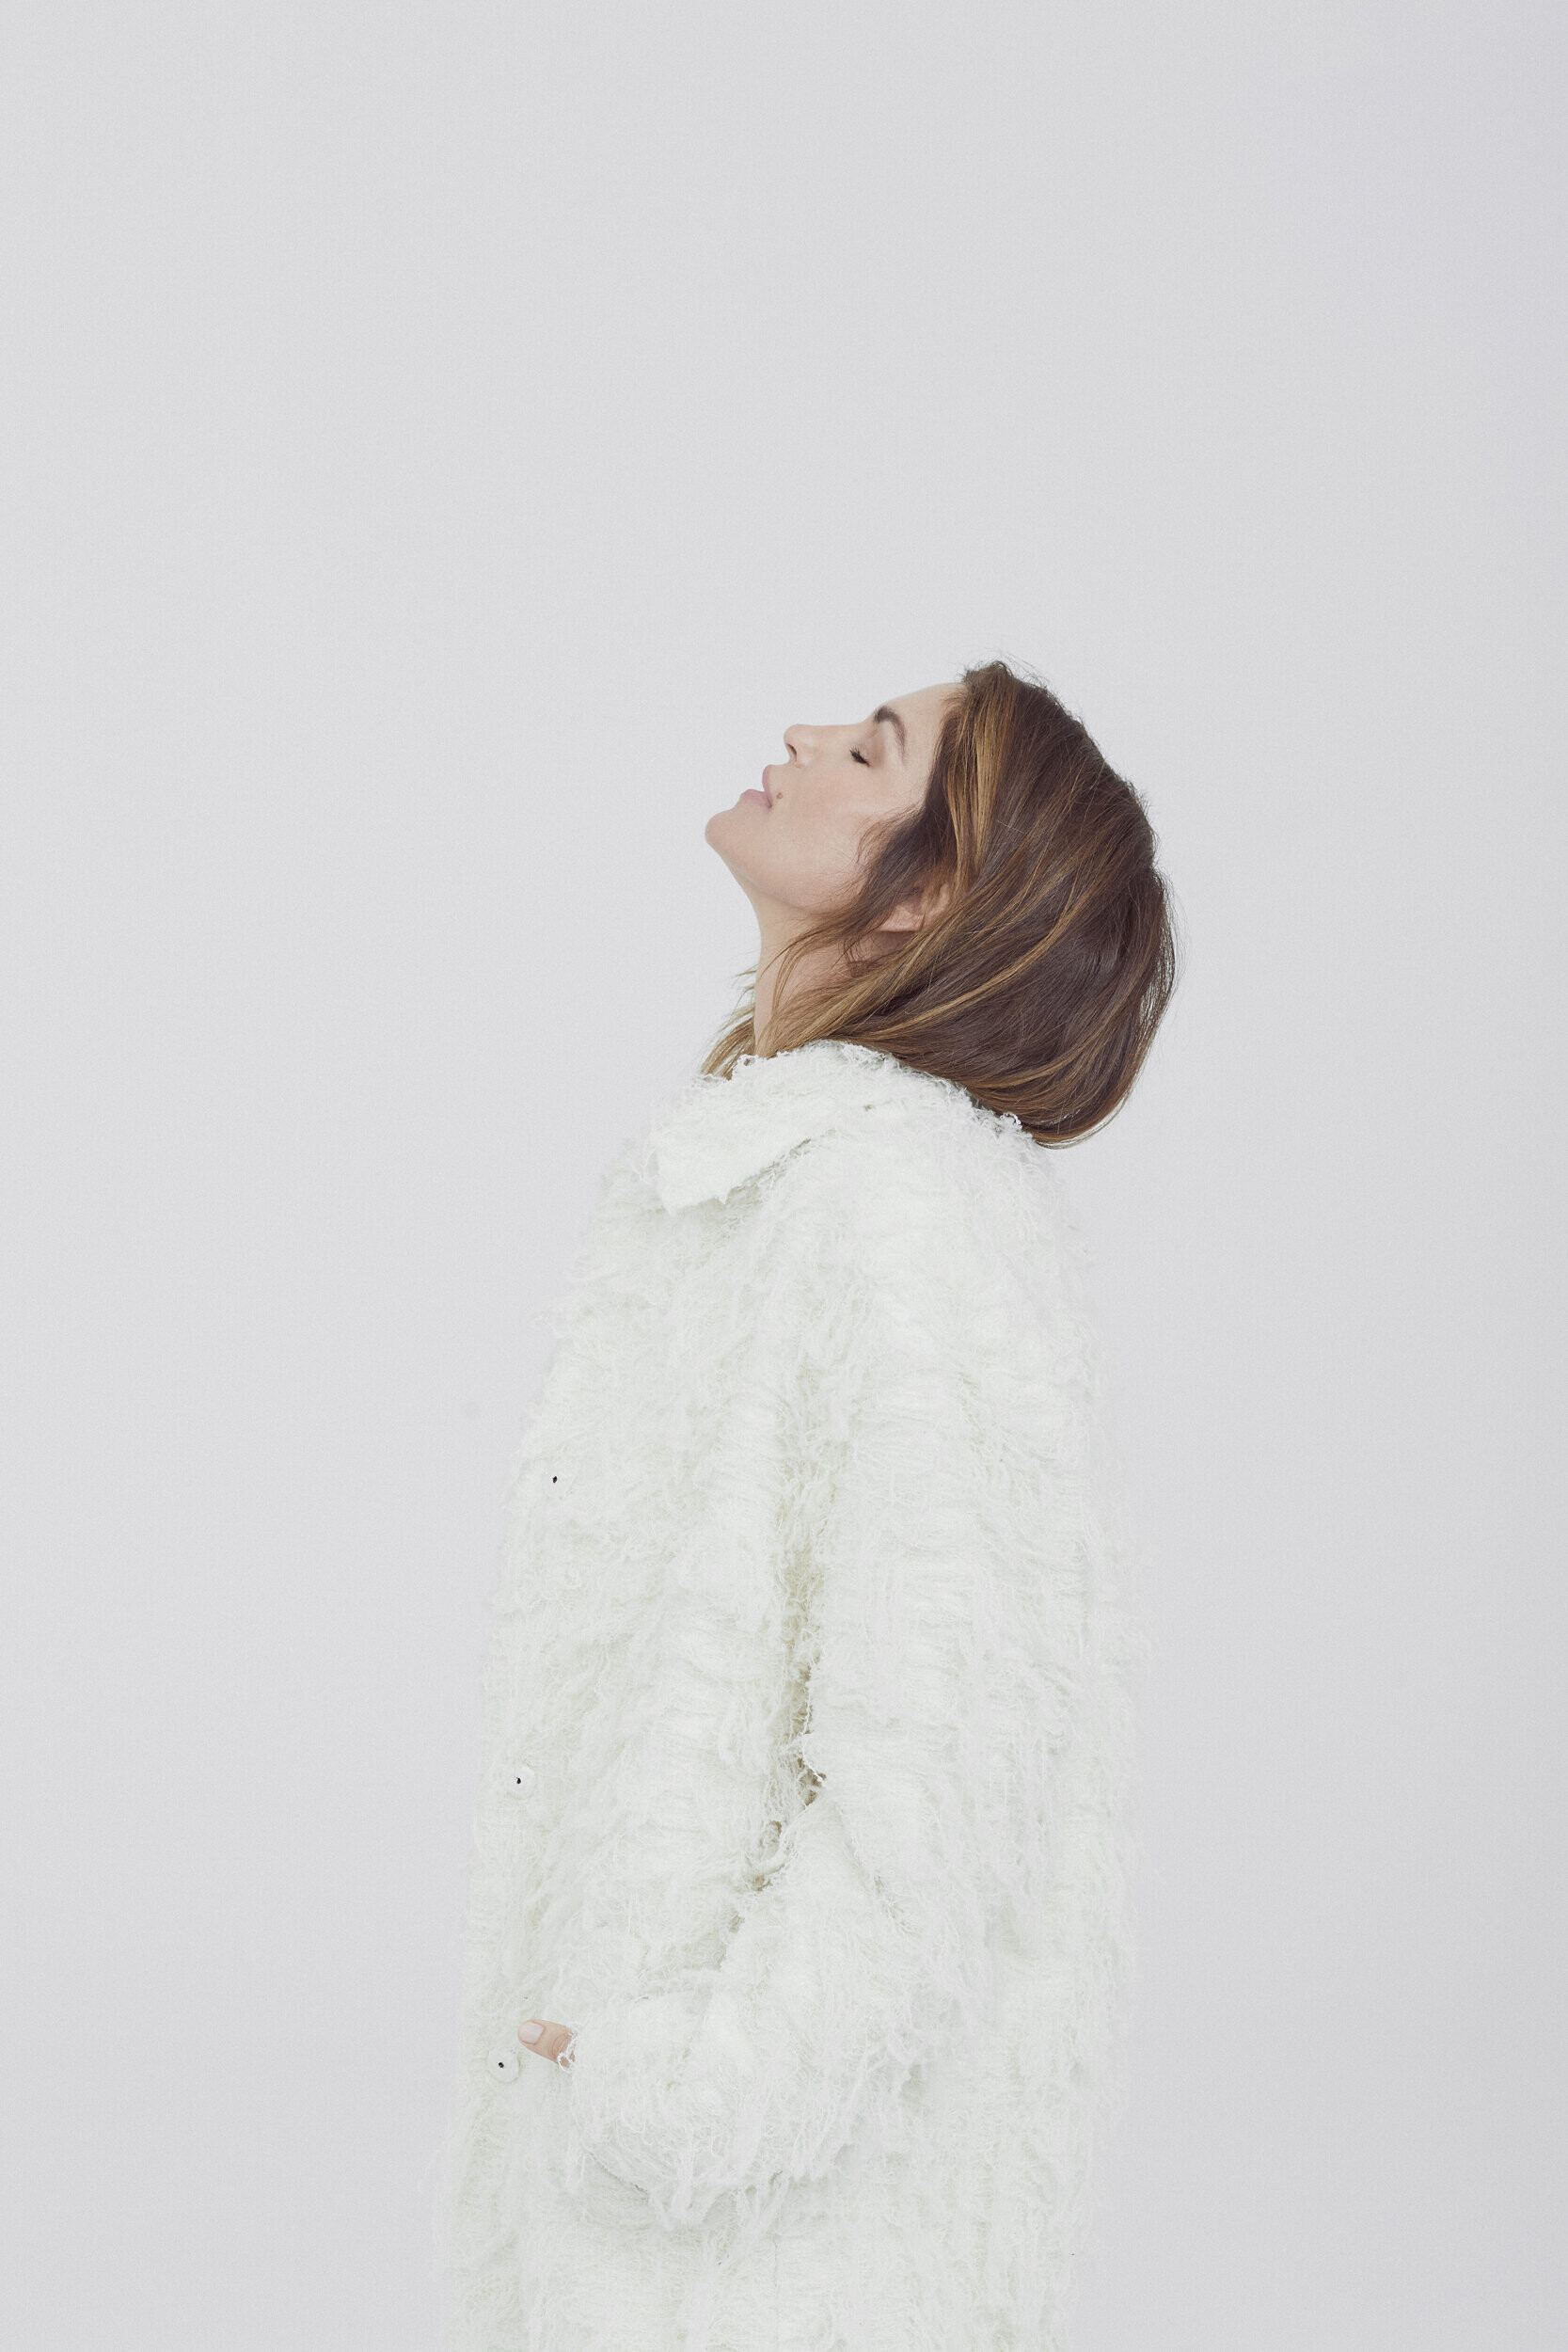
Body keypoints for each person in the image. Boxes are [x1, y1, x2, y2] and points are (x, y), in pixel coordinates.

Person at [436, 659, 1178, 2352]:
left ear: (927, 896)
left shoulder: (899, 1213)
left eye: (870, 748)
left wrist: (697, 2090)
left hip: (771, 2241)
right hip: (653, 2202)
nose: (801, 736)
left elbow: (947, 1768)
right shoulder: (776, 1183)